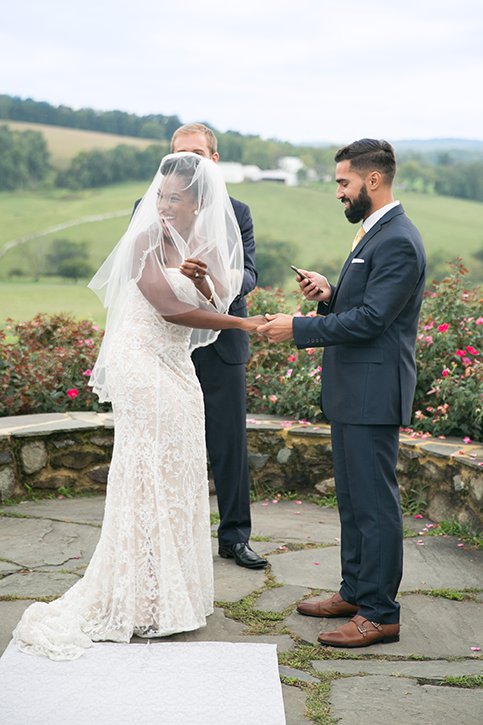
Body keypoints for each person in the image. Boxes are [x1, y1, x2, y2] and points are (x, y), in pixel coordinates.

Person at [12, 152, 264, 660]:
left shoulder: (209, 241)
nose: (164, 205)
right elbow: (168, 308)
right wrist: (243, 324)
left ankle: (167, 590)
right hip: (140, 359)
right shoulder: (146, 237)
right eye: (161, 195)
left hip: (177, 364)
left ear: (198, 203)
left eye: (175, 198)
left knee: (176, 469)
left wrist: (202, 280)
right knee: (146, 468)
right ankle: (138, 593)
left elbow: (216, 298)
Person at [258, 139, 426, 648]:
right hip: (355, 391)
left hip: (374, 392)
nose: (339, 192)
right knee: (354, 503)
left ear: (373, 180)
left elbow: (374, 320)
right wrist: (330, 295)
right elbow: (364, 305)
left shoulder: (398, 240)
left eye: (343, 182)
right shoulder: (374, 232)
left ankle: (380, 613)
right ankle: (355, 592)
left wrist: (298, 328)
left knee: (375, 506)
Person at [169, 123, 267, 569]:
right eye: (180, 153)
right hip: (168, 341)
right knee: (169, 442)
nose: (187, 161)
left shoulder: (238, 211)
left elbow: (251, 272)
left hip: (224, 340)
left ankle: (234, 537)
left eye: (196, 153)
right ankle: (172, 538)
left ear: (213, 159)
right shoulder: (150, 207)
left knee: (229, 443)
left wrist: (222, 281)